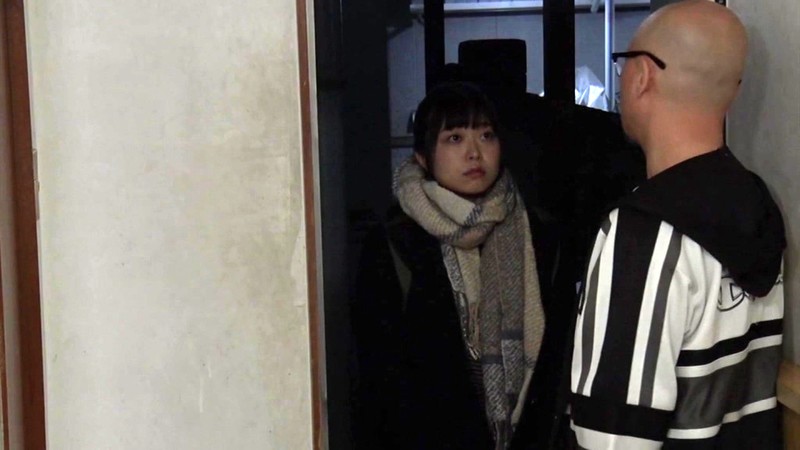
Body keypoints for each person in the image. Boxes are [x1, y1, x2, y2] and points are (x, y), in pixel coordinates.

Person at [569, 1, 786, 449]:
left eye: (623, 64)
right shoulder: (757, 203)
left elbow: (613, 439)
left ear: (642, 75)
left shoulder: (642, 235)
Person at [351, 82, 546, 449]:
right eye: (455, 138)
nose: (474, 153)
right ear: (423, 158)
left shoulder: (536, 232)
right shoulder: (395, 242)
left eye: (486, 135)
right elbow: (379, 379)